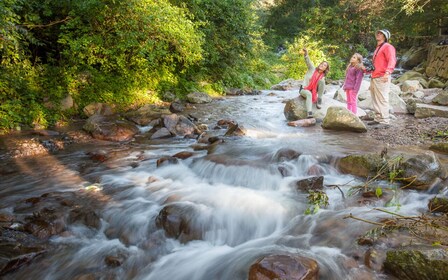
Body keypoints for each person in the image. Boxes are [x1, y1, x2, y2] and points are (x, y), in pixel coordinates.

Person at [368, 29, 396, 127]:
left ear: (385, 36)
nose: (378, 34)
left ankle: (385, 121)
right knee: (375, 98)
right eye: (378, 33)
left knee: (382, 98)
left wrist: (387, 73)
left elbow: (392, 60)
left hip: (382, 76)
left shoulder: (388, 47)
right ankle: (378, 118)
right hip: (374, 76)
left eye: (381, 34)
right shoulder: (378, 48)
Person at [299, 48, 329, 118]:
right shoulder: (312, 69)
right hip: (304, 89)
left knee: (322, 81)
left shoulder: (322, 76)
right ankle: (309, 113)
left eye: (324, 65)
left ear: (326, 69)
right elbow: (308, 61)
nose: (322, 65)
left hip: (314, 91)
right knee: (309, 94)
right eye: (322, 64)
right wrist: (306, 53)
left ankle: (319, 99)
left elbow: (322, 86)